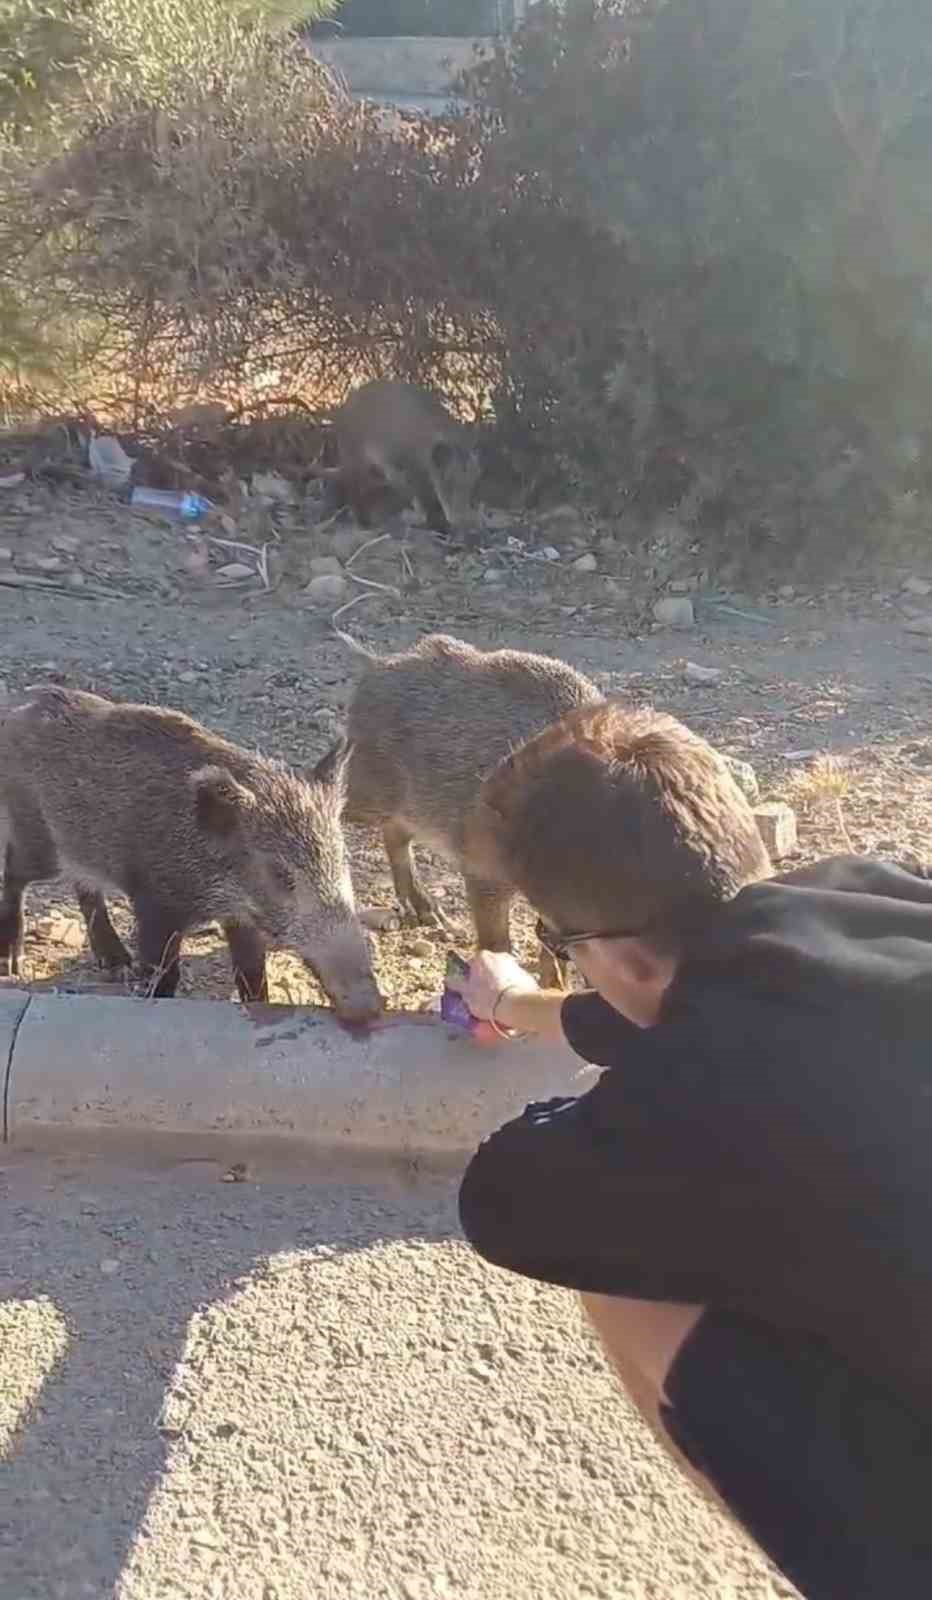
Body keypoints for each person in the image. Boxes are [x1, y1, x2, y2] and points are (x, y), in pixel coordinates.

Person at [451, 699, 932, 1600]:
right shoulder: (886, 892)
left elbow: (505, 1202)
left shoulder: (694, 1099)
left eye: (568, 950)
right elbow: (721, 992)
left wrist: (619, 1093)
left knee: (627, 1279)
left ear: (619, 958)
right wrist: (517, 1003)